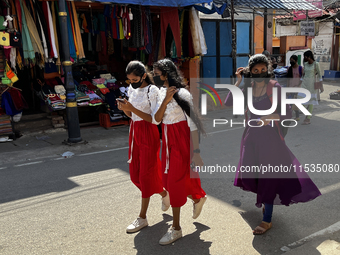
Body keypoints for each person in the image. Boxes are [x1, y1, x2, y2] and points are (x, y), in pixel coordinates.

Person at [225, 54, 321, 235]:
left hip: (270, 141)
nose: (260, 73)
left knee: (267, 178)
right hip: (251, 139)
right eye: (255, 70)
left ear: (268, 71)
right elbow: (229, 102)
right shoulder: (249, 87)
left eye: (263, 70)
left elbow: (287, 114)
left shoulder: (274, 88)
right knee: (251, 175)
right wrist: (238, 82)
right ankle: (265, 201)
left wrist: (270, 117)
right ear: (250, 73)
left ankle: (267, 219)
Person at [152, 59, 207, 245]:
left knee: (174, 182)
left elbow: (193, 124)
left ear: (166, 74)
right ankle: (198, 197)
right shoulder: (160, 93)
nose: (154, 75)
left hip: (181, 140)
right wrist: (166, 100)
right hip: (167, 139)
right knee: (169, 180)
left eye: (156, 72)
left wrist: (196, 152)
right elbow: (157, 120)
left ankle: (176, 228)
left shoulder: (183, 93)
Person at [117, 60, 170, 234]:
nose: (131, 83)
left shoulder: (152, 91)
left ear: (144, 76)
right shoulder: (132, 89)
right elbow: (132, 115)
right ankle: (163, 193)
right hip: (135, 131)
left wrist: (132, 108)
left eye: (134, 79)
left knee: (146, 175)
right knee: (135, 174)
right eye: (129, 80)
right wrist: (125, 108)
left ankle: (142, 217)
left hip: (148, 132)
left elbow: (155, 119)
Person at [298, 50, 323, 125]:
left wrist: (321, 86)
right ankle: (306, 112)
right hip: (304, 84)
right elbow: (303, 75)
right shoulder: (305, 64)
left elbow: (320, 75)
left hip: (312, 85)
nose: (304, 58)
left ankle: (308, 118)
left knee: (311, 101)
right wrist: (300, 83)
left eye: (305, 57)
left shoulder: (316, 64)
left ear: (309, 57)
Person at [287, 55, 304, 121]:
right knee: (290, 102)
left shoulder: (300, 68)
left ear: (296, 61)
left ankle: (296, 116)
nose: (291, 61)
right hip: (290, 88)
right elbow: (288, 80)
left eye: (293, 60)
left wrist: (299, 86)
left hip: (297, 88)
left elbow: (302, 79)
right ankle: (290, 115)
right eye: (290, 60)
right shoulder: (289, 68)